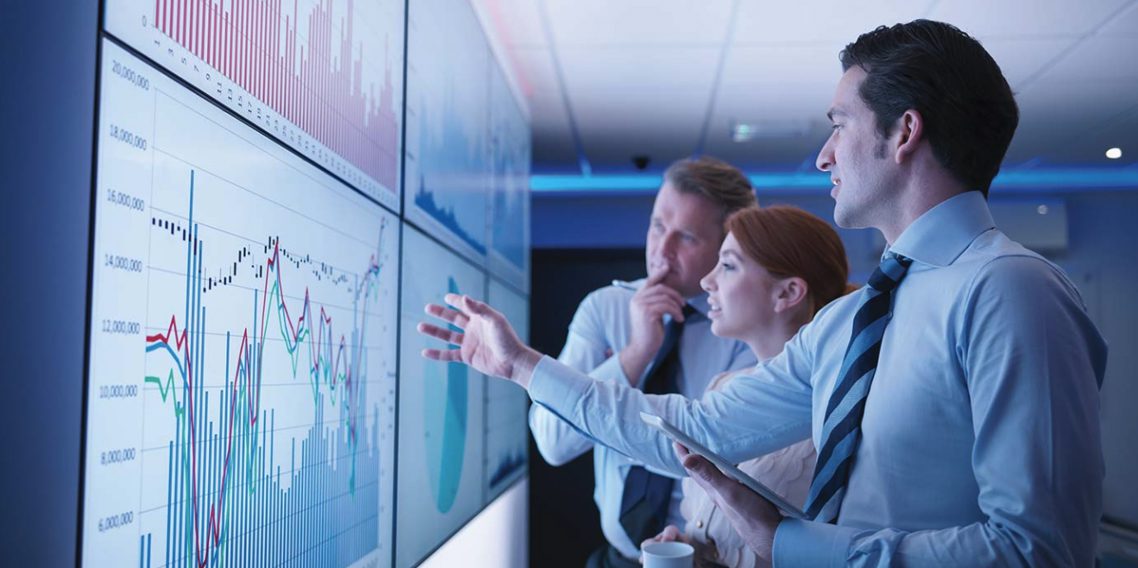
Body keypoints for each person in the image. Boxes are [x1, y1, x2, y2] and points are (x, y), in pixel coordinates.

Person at [419, 19, 1108, 567]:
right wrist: (521, 366)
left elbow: (1038, 552)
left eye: (839, 124)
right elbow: (694, 428)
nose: (823, 155)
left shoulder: (1012, 294)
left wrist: (794, 545)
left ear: (904, 132)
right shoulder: (852, 320)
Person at [529, 156, 758, 568]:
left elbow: (740, 457)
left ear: (727, 244)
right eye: (657, 226)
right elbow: (553, 442)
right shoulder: (604, 309)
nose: (662, 251)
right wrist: (635, 354)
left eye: (685, 237)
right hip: (617, 558)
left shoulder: (748, 327)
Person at [644, 205, 852, 567]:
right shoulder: (722, 386)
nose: (707, 282)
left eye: (727, 265)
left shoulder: (835, 412)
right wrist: (692, 550)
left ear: (787, 293)